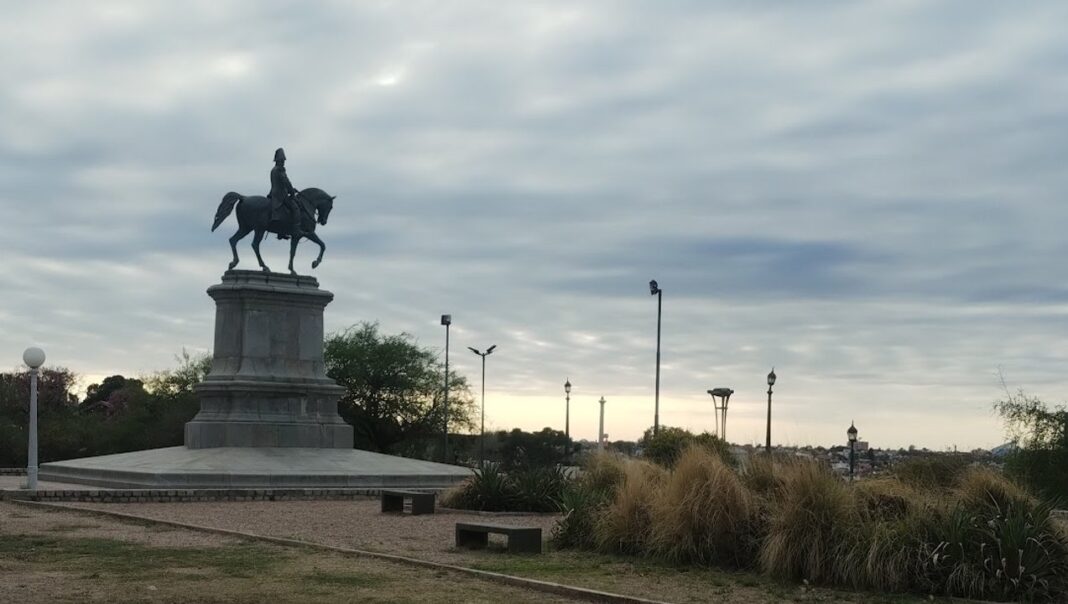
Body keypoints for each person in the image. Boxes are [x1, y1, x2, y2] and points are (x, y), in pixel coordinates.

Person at [268, 147, 302, 239]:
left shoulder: (273, 169)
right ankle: (296, 230)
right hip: (281, 195)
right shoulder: (280, 169)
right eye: (282, 160)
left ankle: (281, 232)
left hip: (274, 194)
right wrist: (291, 191)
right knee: (295, 208)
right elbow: (285, 181)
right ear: (279, 160)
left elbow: (277, 184)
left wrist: (290, 189)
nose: (283, 162)